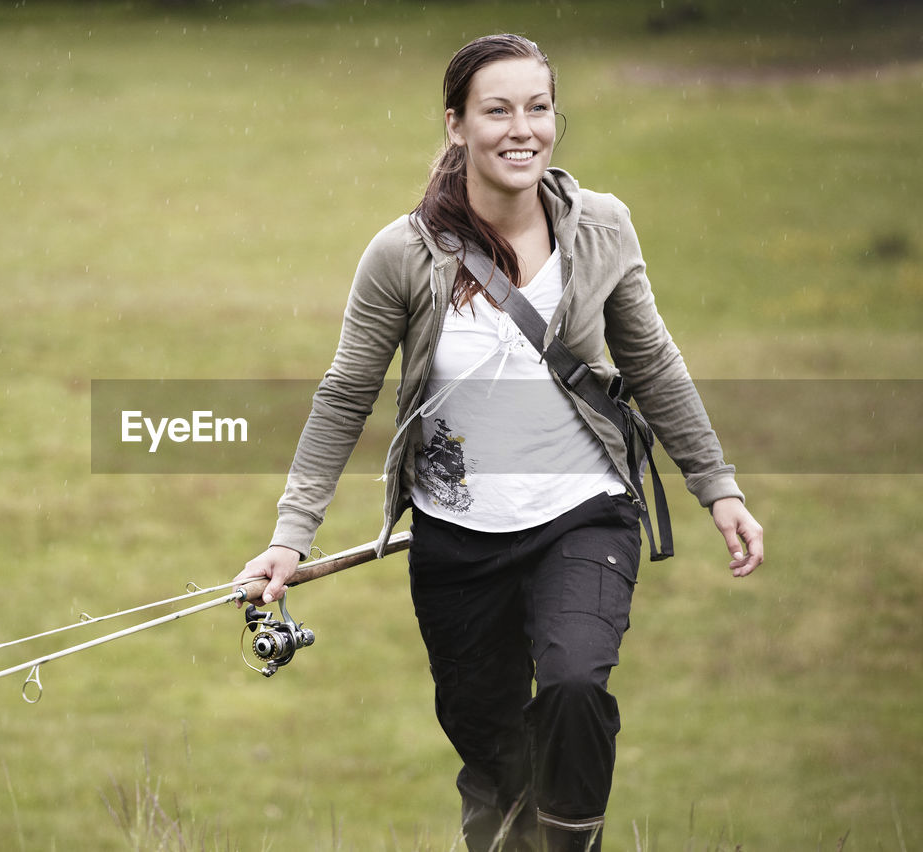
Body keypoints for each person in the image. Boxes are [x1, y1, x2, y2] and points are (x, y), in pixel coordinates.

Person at [233, 34, 763, 852]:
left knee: (577, 686)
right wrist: (289, 535)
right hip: (456, 543)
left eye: (539, 107)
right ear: (455, 125)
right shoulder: (404, 255)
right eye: (498, 110)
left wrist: (717, 486)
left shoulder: (603, 230)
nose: (523, 129)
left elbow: (651, 362)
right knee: (493, 759)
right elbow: (345, 395)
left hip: (583, 515)